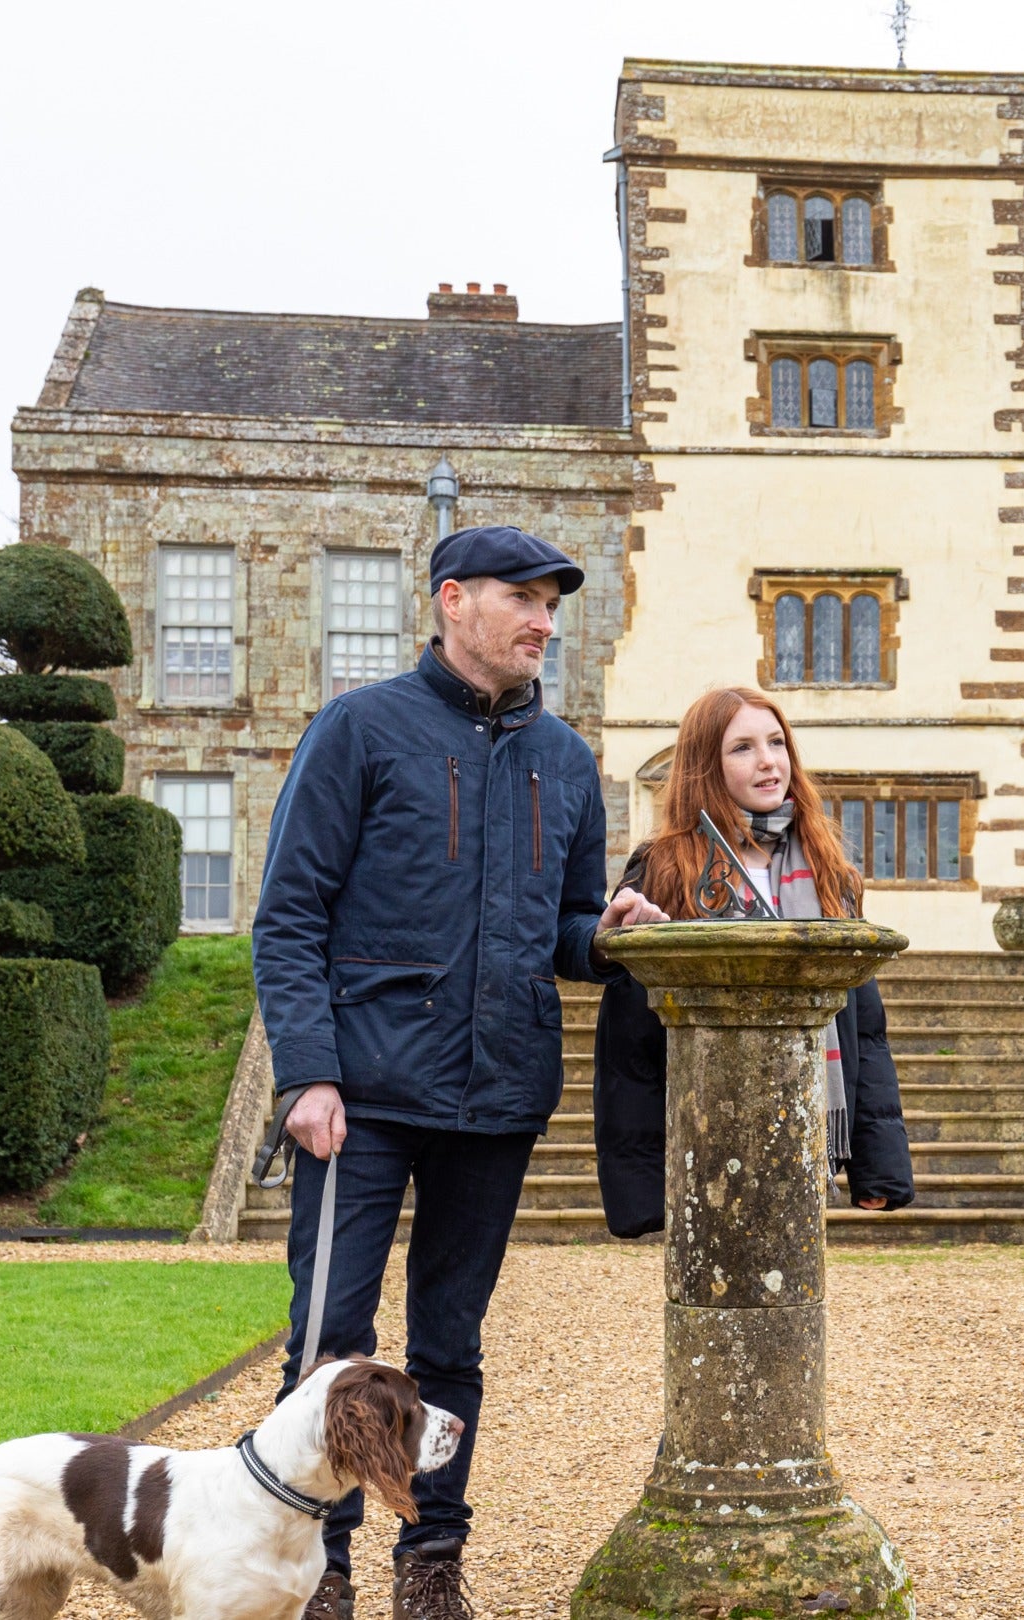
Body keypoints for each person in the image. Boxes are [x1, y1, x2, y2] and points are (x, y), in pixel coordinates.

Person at [252, 525, 667, 1620]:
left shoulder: (569, 761)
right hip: (365, 1097)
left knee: (451, 1344)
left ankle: (430, 1559)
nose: (545, 622)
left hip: (497, 1097)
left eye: (552, 606)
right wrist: (307, 1075)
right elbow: (289, 916)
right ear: (452, 601)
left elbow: (564, 931)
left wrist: (609, 932)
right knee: (330, 1341)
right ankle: (319, 1565)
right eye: (524, 600)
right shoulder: (359, 729)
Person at [591, 686, 914, 1234]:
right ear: (703, 767)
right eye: (741, 748)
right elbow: (628, 1041)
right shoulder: (665, 867)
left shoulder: (827, 867)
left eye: (776, 742)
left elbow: (865, 1023)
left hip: (804, 1119)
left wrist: (878, 1163)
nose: (768, 761)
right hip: (708, 1121)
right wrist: (642, 1187)